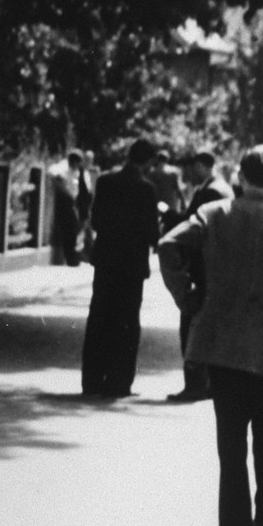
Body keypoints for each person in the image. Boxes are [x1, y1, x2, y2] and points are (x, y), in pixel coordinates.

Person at [159, 144, 263, 526]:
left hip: (221, 346)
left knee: (230, 442)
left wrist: (190, 299)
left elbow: (168, 246)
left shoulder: (214, 215)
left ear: (241, 177)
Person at [81, 138, 160, 399]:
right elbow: (151, 230)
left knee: (99, 318)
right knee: (126, 323)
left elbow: (96, 219)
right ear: (147, 161)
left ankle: (92, 380)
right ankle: (119, 382)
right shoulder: (146, 188)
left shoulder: (105, 181)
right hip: (132, 264)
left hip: (106, 261)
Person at [166, 149, 234, 403]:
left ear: (203, 166)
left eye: (191, 167)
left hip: (202, 268)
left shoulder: (211, 192)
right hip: (213, 268)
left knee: (192, 326)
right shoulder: (220, 187)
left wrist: (170, 217)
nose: (187, 173)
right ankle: (204, 384)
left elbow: (192, 225)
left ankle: (195, 384)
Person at [49, 149, 84, 266]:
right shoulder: (63, 168)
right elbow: (52, 172)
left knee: (74, 230)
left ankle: (73, 257)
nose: (78, 165)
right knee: (68, 230)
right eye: (77, 162)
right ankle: (69, 258)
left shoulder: (78, 172)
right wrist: (61, 182)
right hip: (65, 203)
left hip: (75, 202)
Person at [151, 149, 184, 236]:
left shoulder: (152, 173)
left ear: (157, 159)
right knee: (170, 230)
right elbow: (178, 190)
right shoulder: (173, 173)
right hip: (170, 205)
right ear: (167, 159)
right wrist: (183, 204)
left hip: (156, 204)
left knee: (156, 227)